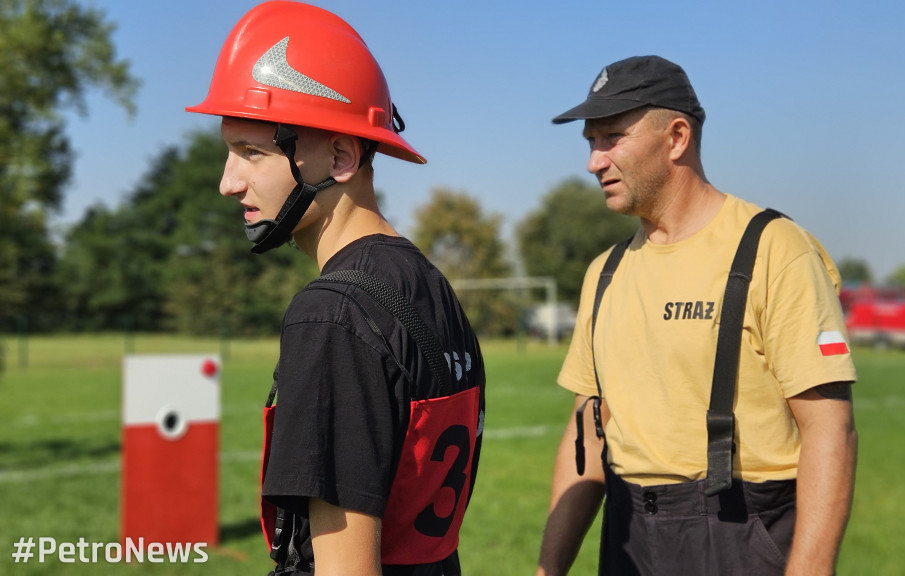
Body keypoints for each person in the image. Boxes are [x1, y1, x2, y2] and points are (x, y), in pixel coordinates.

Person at [186, 3, 485, 575]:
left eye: (252, 152)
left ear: (341, 155)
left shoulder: (329, 316)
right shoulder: (431, 285)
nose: (228, 183)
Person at [536, 55, 858, 576]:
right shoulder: (606, 272)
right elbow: (590, 433)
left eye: (612, 137)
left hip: (742, 534)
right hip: (628, 538)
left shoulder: (774, 249)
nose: (594, 161)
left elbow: (830, 430)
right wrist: (548, 569)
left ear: (677, 137)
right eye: (590, 142)